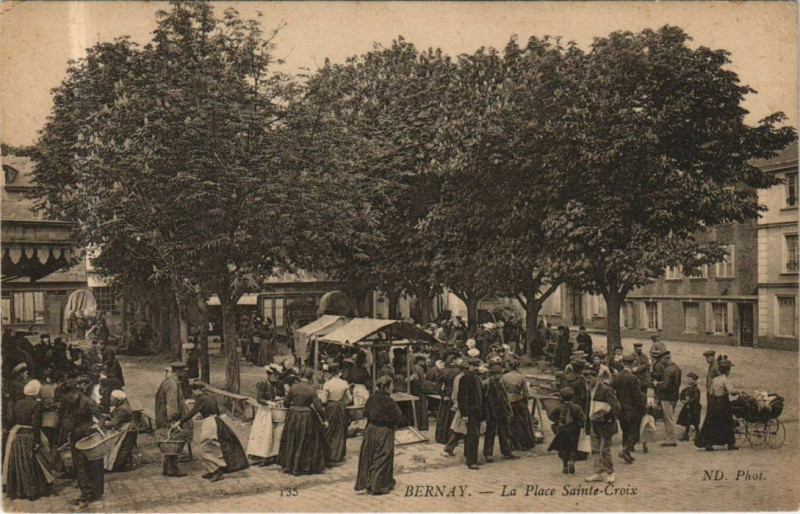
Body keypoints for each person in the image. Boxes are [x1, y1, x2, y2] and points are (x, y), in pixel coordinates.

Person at [174, 383, 249, 481]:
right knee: (213, 447)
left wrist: (179, 422)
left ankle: (217, 469)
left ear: (197, 390)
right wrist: (204, 414)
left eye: (193, 391)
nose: (193, 394)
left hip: (209, 424)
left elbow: (192, 413)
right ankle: (210, 470)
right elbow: (216, 411)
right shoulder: (211, 396)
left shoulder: (201, 399)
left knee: (204, 449)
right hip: (216, 421)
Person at [2, 379, 53, 500]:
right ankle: (35, 490)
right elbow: (36, 425)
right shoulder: (35, 405)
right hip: (29, 434)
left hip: (17, 435)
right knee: (37, 460)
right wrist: (37, 441)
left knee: (19, 462)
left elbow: (11, 420)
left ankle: (20, 490)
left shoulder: (17, 403)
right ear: (35, 392)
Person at [355, 375, 402, 495]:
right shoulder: (389, 401)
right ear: (387, 387)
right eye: (391, 385)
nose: (393, 387)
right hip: (384, 431)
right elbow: (397, 416)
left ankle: (369, 483)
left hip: (371, 430)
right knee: (382, 457)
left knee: (370, 457)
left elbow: (366, 412)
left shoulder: (372, 398)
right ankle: (377, 485)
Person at [61, 381, 104, 508]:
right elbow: (66, 415)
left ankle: (95, 495)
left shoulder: (87, 402)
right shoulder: (68, 402)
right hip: (75, 438)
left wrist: (98, 426)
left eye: (70, 397)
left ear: (75, 392)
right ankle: (85, 493)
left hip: (88, 438)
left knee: (93, 466)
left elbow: (101, 417)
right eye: (67, 398)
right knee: (80, 467)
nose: (69, 400)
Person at [280, 368, 328, 475]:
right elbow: (318, 407)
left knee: (293, 440)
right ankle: (302, 466)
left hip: (293, 416)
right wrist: (324, 420)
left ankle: (290, 465)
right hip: (306, 417)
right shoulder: (311, 389)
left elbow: (286, 404)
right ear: (310, 377)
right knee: (305, 441)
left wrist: (293, 406)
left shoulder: (294, 387)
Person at [583, 367, 621, 485]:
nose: (587, 380)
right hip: (594, 424)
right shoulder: (590, 390)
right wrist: (588, 425)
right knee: (595, 450)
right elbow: (589, 408)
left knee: (604, 450)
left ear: (597, 378)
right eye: (585, 378)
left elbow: (617, 407)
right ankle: (597, 473)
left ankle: (610, 473)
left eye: (589, 378)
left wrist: (606, 417)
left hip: (605, 425)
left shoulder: (605, 390)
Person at [154, 362, 193, 477]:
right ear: (178, 372)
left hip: (163, 416)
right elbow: (171, 404)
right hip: (168, 417)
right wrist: (173, 419)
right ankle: (172, 469)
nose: (186, 373)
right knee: (173, 440)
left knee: (169, 440)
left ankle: (167, 467)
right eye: (184, 371)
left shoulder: (169, 381)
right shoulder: (172, 384)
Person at [695, 357, 739, 451]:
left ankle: (709, 444)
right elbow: (731, 391)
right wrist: (737, 391)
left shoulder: (715, 379)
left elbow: (711, 391)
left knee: (712, 423)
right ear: (727, 370)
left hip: (715, 402)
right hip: (724, 403)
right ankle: (731, 444)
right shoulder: (725, 380)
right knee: (728, 422)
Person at [610, 354, 646, 464]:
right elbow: (637, 396)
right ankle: (625, 450)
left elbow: (611, 391)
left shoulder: (617, 376)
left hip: (621, 410)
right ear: (632, 364)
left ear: (622, 363)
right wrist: (643, 409)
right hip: (633, 410)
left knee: (625, 432)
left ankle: (627, 454)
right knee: (634, 433)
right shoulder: (632, 378)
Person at [547, 386, 586, 475]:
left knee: (563, 448)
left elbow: (551, 415)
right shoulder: (577, 407)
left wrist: (557, 421)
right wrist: (580, 425)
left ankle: (565, 466)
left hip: (563, 430)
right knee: (573, 447)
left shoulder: (559, 407)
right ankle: (572, 461)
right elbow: (582, 420)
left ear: (561, 397)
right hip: (574, 430)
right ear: (573, 397)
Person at [483, 365, 517, 463]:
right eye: (500, 373)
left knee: (505, 432)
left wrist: (508, 410)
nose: (502, 375)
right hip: (491, 412)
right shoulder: (486, 384)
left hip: (502, 411)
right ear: (495, 374)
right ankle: (488, 454)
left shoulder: (500, 383)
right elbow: (483, 400)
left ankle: (507, 452)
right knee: (490, 433)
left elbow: (504, 398)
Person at [501, 358, 536, 451]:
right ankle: (523, 443)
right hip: (518, 400)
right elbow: (525, 392)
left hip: (508, 400)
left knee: (509, 423)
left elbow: (502, 390)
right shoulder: (521, 377)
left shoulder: (504, 377)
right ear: (517, 367)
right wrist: (526, 400)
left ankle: (511, 443)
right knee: (522, 422)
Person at [457, 357, 486, 470]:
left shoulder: (477, 378)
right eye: (474, 366)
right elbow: (462, 397)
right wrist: (464, 414)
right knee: (472, 436)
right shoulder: (465, 379)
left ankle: (470, 457)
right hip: (470, 412)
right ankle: (471, 461)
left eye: (477, 366)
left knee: (474, 436)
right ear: (468, 366)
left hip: (477, 412)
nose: (476, 368)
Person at [322, 363, 352, 465]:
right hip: (341, 407)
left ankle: (329, 454)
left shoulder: (327, 384)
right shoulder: (344, 383)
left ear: (330, 373)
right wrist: (342, 402)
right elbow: (350, 399)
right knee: (341, 429)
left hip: (331, 407)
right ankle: (338, 454)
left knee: (330, 429)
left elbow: (323, 400)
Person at [101, 390, 138, 472]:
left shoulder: (123, 409)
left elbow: (114, 422)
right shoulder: (121, 406)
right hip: (125, 428)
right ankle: (121, 464)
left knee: (123, 448)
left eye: (113, 399)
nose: (111, 400)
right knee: (122, 448)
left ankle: (119, 466)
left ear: (118, 400)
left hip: (128, 430)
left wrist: (102, 424)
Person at [654, 352, 681, 447]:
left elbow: (665, 386)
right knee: (670, 417)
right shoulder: (677, 368)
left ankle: (671, 439)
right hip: (674, 396)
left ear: (665, 359)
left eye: (662, 360)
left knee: (668, 418)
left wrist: (657, 384)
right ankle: (670, 438)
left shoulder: (667, 370)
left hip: (666, 397)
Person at [442, 358, 468, 456]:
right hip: (461, 406)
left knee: (460, 429)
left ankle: (451, 448)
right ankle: (449, 448)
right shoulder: (461, 378)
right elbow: (457, 392)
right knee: (459, 429)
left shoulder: (459, 377)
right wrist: (456, 404)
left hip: (459, 405)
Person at [436, 354, 460, 445]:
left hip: (445, 394)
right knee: (452, 417)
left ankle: (441, 437)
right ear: (453, 360)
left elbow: (437, 384)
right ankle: (451, 438)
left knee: (443, 416)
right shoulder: (458, 371)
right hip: (455, 394)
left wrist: (442, 394)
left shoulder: (443, 371)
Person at [677, 372, 702, 441]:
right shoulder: (686, 389)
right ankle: (686, 435)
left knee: (695, 422)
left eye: (690, 379)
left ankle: (698, 434)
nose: (688, 381)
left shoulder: (696, 390)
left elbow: (695, 398)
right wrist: (682, 400)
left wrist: (688, 401)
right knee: (687, 421)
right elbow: (681, 395)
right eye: (688, 379)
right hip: (687, 407)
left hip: (694, 407)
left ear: (694, 380)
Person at [409, 354, 429, 431]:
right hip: (420, 390)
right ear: (419, 361)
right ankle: (422, 426)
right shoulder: (419, 368)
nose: (424, 362)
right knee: (422, 408)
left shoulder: (415, 367)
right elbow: (422, 380)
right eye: (423, 360)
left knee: (419, 408)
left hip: (417, 390)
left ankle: (420, 425)